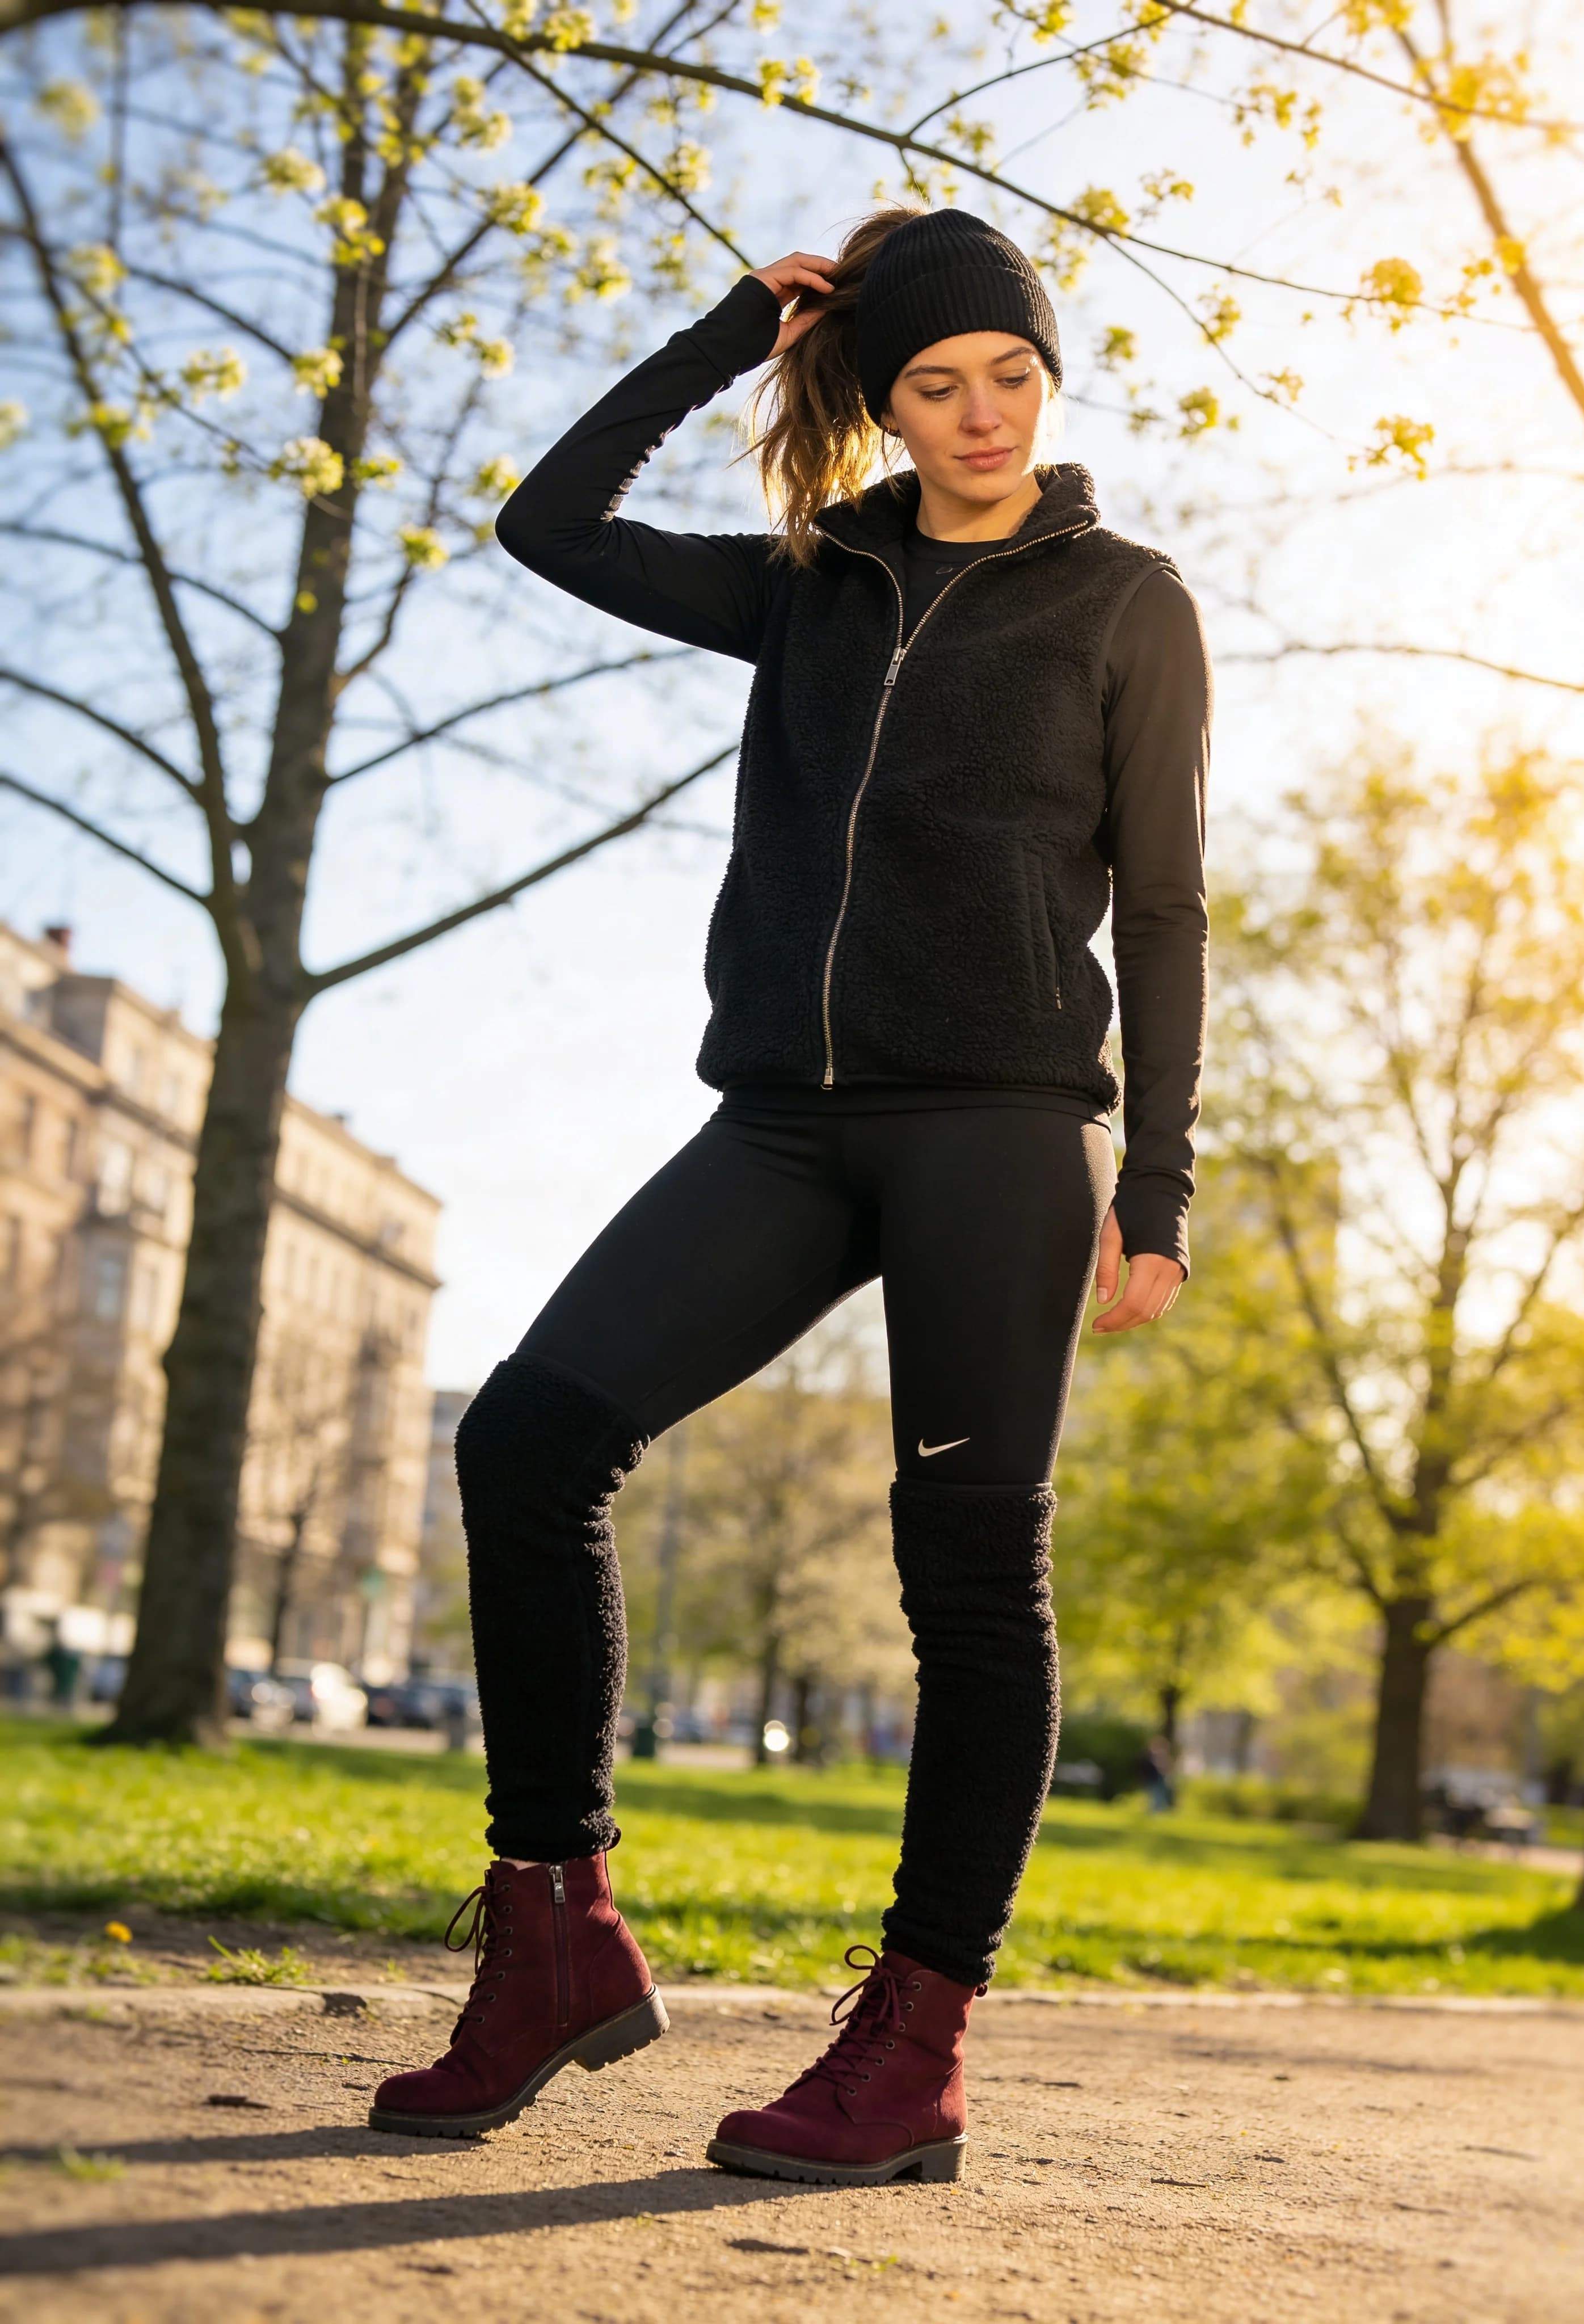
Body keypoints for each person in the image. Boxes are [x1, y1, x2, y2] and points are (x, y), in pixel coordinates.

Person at [369, 206, 1211, 2186]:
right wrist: (738, 330)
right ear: (882, 400)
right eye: (935, 383)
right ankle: (554, 1934)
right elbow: (548, 526)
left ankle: (914, 2050)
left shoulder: (1126, 603)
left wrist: (1155, 1180)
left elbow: (1166, 905)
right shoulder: (817, 585)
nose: (983, 413)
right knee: (530, 1440)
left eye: (1011, 373)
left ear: (1047, 376)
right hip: (785, 1120)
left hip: (1000, 1125)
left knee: (970, 1573)